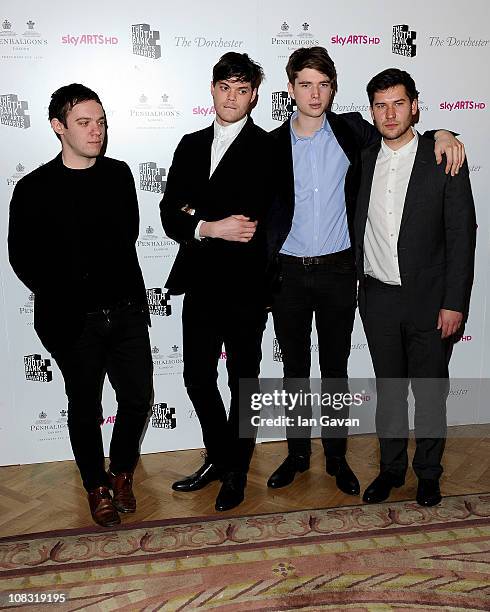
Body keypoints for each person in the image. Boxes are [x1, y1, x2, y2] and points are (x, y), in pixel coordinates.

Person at [266, 46, 465, 496]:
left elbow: (403, 130)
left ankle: (339, 457)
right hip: (291, 275)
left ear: (333, 89)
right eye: (305, 85)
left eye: (323, 85)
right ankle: (299, 455)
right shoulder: (273, 143)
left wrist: (445, 132)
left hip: (341, 273)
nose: (314, 94)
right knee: (296, 370)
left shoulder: (353, 132)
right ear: (291, 88)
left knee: (337, 370)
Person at [8, 84, 153, 527]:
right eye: (85, 123)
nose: (97, 131)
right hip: (73, 320)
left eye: (102, 122)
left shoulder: (120, 174)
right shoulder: (33, 187)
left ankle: (122, 472)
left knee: (137, 396)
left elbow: (125, 235)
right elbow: (22, 257)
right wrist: (68, 297)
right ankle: (96, 485)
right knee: (84, 406)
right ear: (58, 127)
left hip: (126, 309)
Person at [354, 68, 476, 506]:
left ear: (415, 106)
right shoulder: (364, 158)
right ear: (371, 111)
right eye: (381, 105)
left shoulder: (443, 158)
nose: (390, 113)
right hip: (378, 298)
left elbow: (463, 237)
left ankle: (428, 473)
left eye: (398, 103)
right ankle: (390, 470)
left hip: (430, 302)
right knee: (388, 393)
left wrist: (454, 303)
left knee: (428, 393)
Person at [160, 52, 271, 511]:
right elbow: (170, 213)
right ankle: (221, 455)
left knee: (243, 381)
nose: (232, 96)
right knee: (196, 376)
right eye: (225, 87)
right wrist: (210, 224)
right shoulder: (188, 144)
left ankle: (236, 471)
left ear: (254, 97)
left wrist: (196, 210)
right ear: (212, 89)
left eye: (242, 89)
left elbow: (252, 218)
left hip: (246, 286)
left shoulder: (267, 147)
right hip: (201, 282)